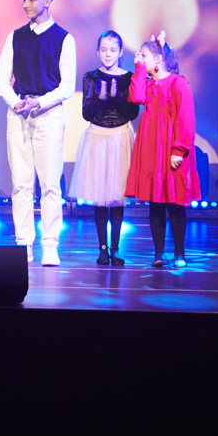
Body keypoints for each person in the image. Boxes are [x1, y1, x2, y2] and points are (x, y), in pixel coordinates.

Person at [0, 0, 76, 266]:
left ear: (47, 1)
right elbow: (1, 78)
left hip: (48, 114)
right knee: (21, 183)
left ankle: (50, 244)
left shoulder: (63, 38)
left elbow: (67, 86)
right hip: (19, 113)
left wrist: (39, 102)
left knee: (50, 183)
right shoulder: (16, 36)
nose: (26, 4)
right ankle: (23, 243)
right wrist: (15, 101)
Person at [126, 35, 199, 268]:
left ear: (158, 59)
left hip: (171, 149)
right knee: (155, 203)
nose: (140, 59)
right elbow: (136, 97)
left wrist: (179, 149)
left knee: (175, 203)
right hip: (152, 149)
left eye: (144, 56)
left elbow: (185, 119)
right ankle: (158, 253)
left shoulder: (178, 83)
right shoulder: (147, 84)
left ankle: (180, 253)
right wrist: (139, 68)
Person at [70, 31, 140, 266]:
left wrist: (115, 98)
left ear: (120, 52)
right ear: (97, 51)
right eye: (103, 49)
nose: (108, 54)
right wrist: (100, 98)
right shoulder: (91, 77)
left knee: (117, 196)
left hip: (120, 137)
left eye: (112, 50)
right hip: (97, 138)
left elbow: (133, 113)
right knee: (100, 196)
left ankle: (116, 248)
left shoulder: (129, 78)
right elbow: (86, 113)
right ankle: (102, 249)